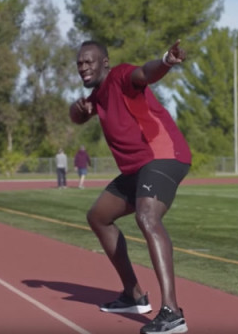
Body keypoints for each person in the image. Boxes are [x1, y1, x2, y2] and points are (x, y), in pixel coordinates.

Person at [69, 39, 191, 334]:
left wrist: (166, 61)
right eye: (80, 63)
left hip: (163, 156)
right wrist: (78, 109)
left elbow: (145, 73)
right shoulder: (97, 96)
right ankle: (133, 295)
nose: (83, 67)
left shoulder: (120, 75)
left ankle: (172, 312)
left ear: (105, 62)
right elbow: (76, 116)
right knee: (98, 217)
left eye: (89, 61)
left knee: (147, 216)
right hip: (137, 169)